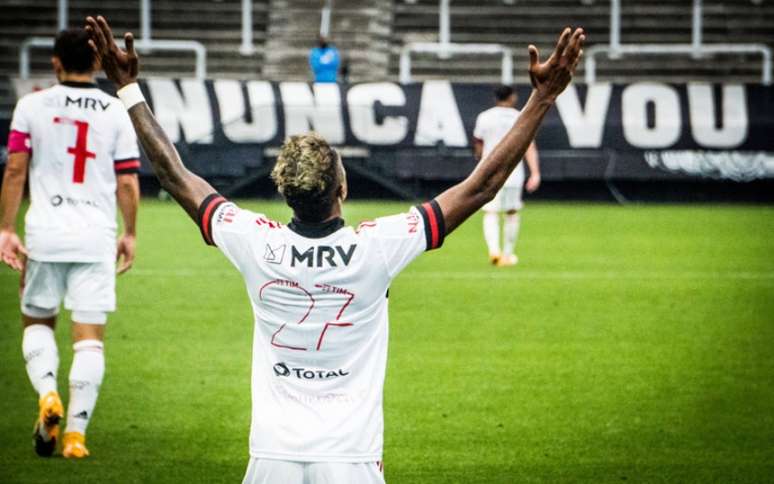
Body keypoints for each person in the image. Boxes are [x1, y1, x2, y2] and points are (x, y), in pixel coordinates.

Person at [85, 15, 583, 483]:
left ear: (285, 192)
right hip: (350, 457)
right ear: (341, 189)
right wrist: (542, 98)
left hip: (271, 456)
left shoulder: (255, 240)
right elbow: (482, 186)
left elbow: (175, 176)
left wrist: (127, 88)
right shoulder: (379, 246)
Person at [0, 28, 140, 458]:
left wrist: (6, 228)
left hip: (45, 234)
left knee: (38, 322)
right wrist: (130, 232)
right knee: (89, 339)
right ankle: (76, 434)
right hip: (95, 235)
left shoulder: (31, 106)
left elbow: (15, 172)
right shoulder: (116, 110)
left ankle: (47, 394)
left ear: (55, 62)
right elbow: (128, 180)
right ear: (98, 63)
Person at [473, 85, 541, 267]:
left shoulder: (484, 117)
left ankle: (494, 251)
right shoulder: (520, 117)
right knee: (511, 212)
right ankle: (508, 253)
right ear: (511, 97)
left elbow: (478, 144)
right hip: (513, 172)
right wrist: (535, 172)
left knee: (490, 211)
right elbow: (529, 146)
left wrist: (480, 160)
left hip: (489, 171)